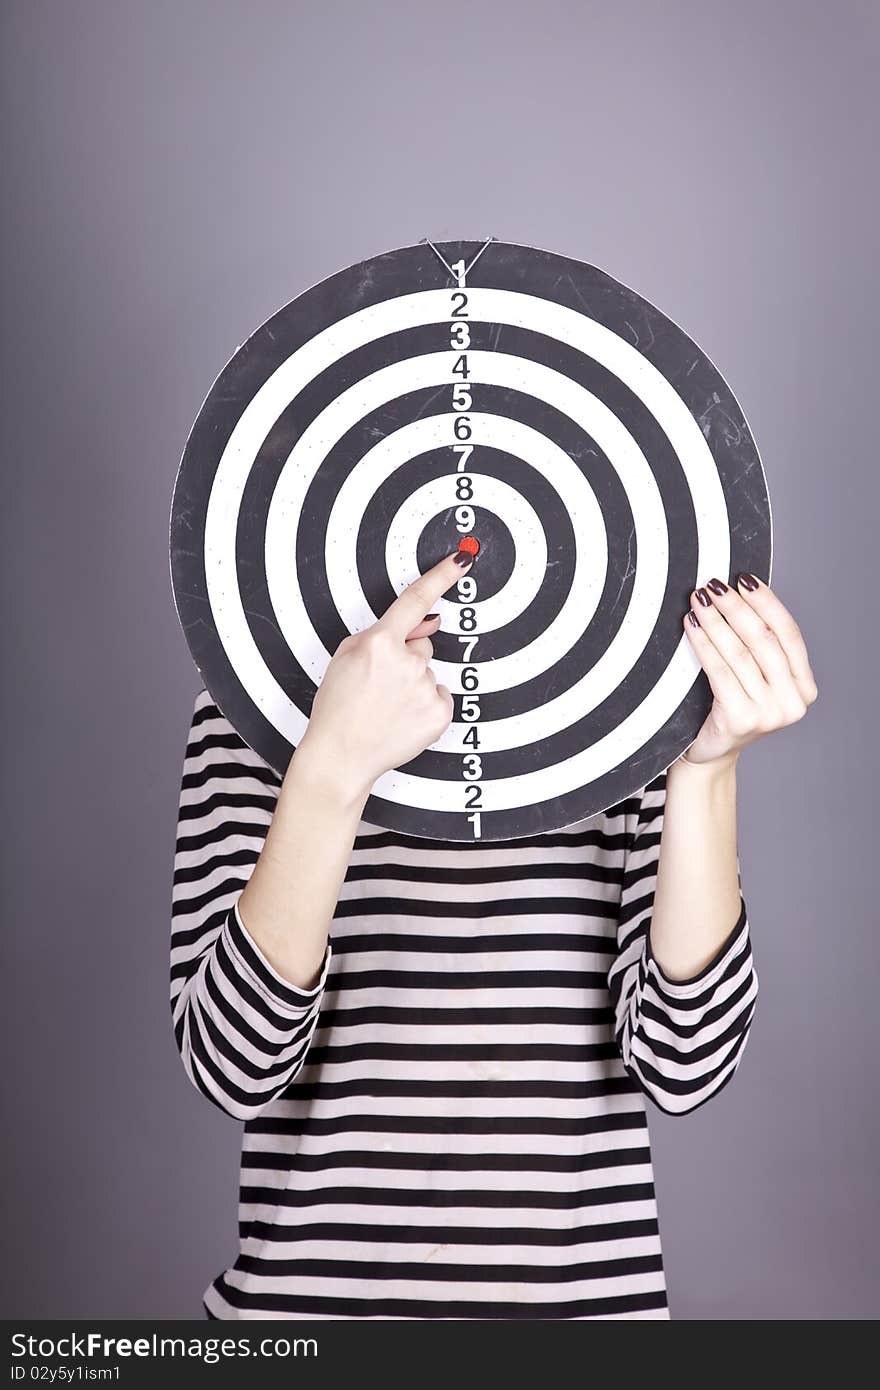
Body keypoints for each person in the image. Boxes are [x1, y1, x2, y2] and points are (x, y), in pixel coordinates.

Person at [170, 549, 817, 1320]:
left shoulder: (635, 700)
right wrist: (332, 767)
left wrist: (706, 768)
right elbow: (232, 1066)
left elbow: (685, 1064)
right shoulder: (252, 697)